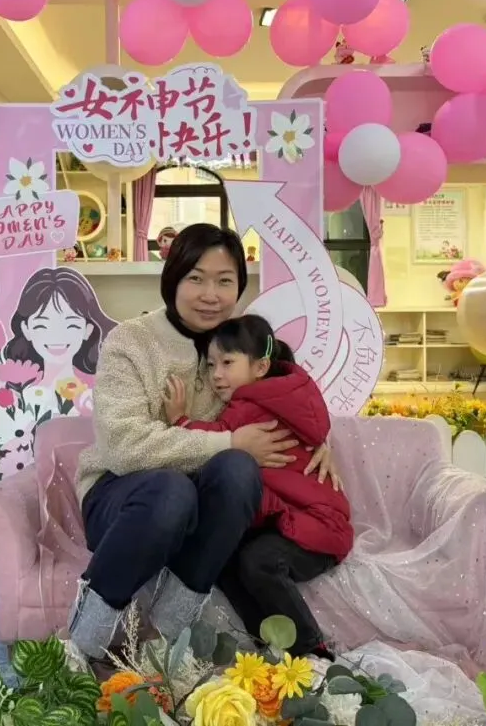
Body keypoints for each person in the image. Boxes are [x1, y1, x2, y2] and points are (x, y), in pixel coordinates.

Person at [69, 223, 338, 660]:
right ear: (173, 278)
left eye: (225, 281)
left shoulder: (240, 343)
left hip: (203, 508)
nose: (210, 295)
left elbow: (290, 391)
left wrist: (318, 439)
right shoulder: (131, 342)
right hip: (125, 500)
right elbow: (123, 447)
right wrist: (228, 441)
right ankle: (84, 642)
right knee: (174, 488)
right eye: (196, 278)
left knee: (237, 469)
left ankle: (163, 640)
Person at [163, 314, 351, 658]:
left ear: (261, 366)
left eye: (227, 363)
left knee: (258, 561)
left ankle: (311, 649)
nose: (216, 374)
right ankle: (270, 648)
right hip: (303, 522)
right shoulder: (285, 396)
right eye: (211, 365)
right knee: (227, 559)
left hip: (317, 528)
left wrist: (180, 421)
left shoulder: (252, 407)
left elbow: (217, 440)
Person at [3, 267, 116, 387]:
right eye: (42, 326)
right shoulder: (17, 390)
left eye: (71, 325)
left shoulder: (100, 387)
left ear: (88, 329)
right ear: (26, 329)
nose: (57, 335)